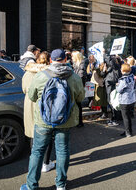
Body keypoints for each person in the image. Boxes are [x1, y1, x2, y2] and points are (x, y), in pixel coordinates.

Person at [21, 49, 84, 190]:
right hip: (65, 120)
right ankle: (61, 184)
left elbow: (31, 96)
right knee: (62, 151)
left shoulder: (41, 75)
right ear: (65, 59)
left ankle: (32, 185)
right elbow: (80, 98)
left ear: (51, 60)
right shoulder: (74, 77)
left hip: (43, 121)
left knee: (37, 152)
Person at [22, 51, 56, 173]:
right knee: (47, 135)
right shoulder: (49, 73)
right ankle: (46, 163)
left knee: (32, 134)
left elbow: (25, 89)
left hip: (29, 104)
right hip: (44, 106)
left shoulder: (27, 73)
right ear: (49, 61)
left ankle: (36, 163)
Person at [116, 63, 136, 137]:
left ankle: (128, 132)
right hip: (131, 99)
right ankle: (129, 130)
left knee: (125, 117)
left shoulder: (123, 79)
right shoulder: (131, 77)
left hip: (124, 100)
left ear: (123, 70)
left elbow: (119, 90)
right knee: (129, 117)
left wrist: (117, 86)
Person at [104, 54, 122, 126]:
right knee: (112, 102)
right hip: (111, 86)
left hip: (111, 86)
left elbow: (110, 61)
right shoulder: (114, 68)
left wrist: (105, 54)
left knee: (112, 103)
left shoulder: (116, 66)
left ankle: (114, 119)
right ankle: (115, 118)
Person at [71, 51, 85, 127]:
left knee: (78, 104)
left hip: (78, 86)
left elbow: (80, 76)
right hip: (75, 85)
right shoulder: (75, 64)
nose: (72, 58)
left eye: (73, 56)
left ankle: (80, 121)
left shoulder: (81, 65)